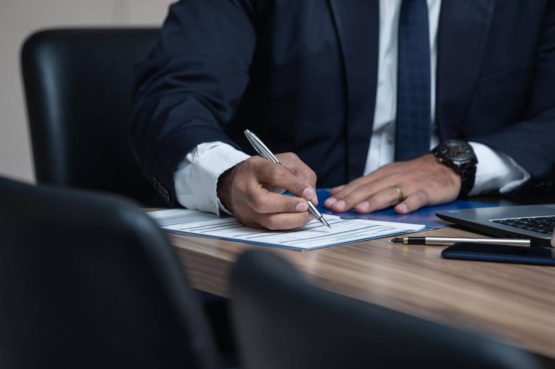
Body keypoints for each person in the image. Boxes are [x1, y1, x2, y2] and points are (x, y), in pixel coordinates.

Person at [131, 0, 555, 231]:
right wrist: (228, 176)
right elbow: (173, 95)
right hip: (300, 249)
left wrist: (460, 164)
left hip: (468, 251)